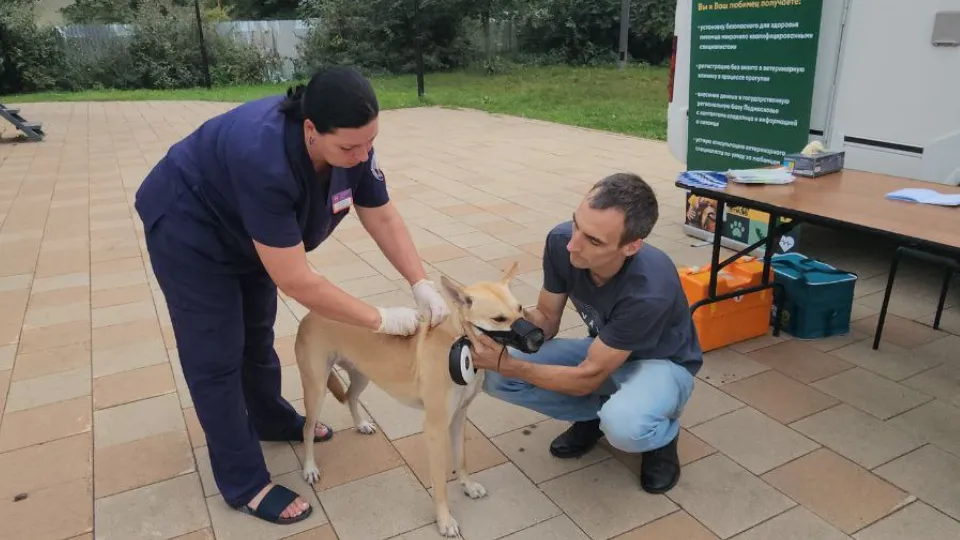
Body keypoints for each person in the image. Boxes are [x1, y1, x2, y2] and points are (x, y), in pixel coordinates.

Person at [134, 66, 449, 525]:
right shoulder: (262, 158)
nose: (362, 156)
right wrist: (378, 319)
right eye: (349, 147)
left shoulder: (351, 148)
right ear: (310, 130)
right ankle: (243, 482)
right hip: (190, 226)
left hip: (250, 233)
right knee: (216, 354)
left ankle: (268, 418)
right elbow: (298, 281)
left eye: (370, 142)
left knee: (257, 333)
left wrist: (420, 283)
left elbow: (380, 215)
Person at [470, 172, 702, 494]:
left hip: (661, 363)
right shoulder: (560, 242)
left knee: (625, 425)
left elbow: (586, 378)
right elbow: (548, 319)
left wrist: (508, 363)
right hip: (604, 351)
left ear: (632, 246)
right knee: (495, 378)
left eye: (593, 240)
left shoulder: (649, 290)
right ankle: (597, 416)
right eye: (577, 224)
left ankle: (661, 436)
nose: (572, 244)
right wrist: (508, 321)